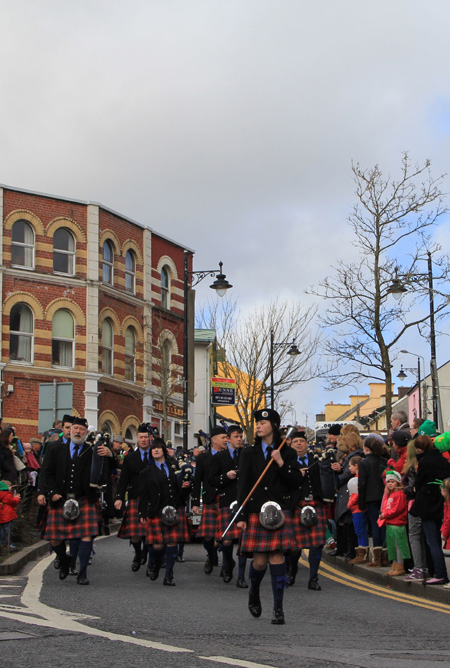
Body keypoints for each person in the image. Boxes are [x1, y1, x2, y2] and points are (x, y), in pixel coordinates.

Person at [236, 409, 302, 625]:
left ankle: (278, 609)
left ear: (273, 425)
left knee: (277, 558)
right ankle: (254, 590)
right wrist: (242, 515)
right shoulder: (248, 453)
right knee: (260, 561)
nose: (258, 426)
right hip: (256, 510)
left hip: (279, 510)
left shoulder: (288, 452)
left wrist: (281, 462)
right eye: (257, 423)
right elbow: (243, 485)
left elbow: (295, 482)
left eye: (263, 422)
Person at [39, 417, 113, 585]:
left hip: (84, 499)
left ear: (86, 433)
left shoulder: (92, 450)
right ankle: (64, 559)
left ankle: (83, 573)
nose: (78, 432)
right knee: (54, 539)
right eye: (75, 428)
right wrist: (51, 493)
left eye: (81, 429)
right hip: (60, 499)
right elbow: (47, 473)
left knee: (86, 536)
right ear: (70, 430)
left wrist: (110, 455)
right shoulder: (55, 449)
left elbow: (108, 469)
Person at [138, 438, 191, 586]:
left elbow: (179, 487)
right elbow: (143, 495)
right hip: (156, 510)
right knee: (157, 545)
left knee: (172, 544)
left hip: (173, 509)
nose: (155, 450)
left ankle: (169, 575)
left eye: (158, 448)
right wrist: (141, 513)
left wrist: (185, 486)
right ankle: (154, 563)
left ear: (164, 451)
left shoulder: (174, 467)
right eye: (153, 448)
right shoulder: (146, 472)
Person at [289, 430, 328, 591]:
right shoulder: (287, 463)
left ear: (307, 444)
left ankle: (313, 577)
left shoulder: (317, 460)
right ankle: (291, 570)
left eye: (302, 441)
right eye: (296, 441)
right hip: (297, 505)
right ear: (291, 445)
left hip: (316, 504)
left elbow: (328, 479)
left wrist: (336, 469)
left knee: (317, 544)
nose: (299, 443)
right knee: (294, 546)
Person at [410, 434, 450, 585]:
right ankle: (438, 572)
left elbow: (417, 484)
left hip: (427, 504)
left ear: (420, 449)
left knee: (431, 540)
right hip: (442, 503)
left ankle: (439, 573)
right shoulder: (443, 461)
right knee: (438, 539)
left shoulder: (424, 462)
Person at [209, 425, 246, 586]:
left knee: (244, 540)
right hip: (227, 500)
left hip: (245, 501)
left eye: (240, 436)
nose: (239, 439)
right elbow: (212, 479)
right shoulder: (219, 457)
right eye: (236, 436)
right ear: (229, 439)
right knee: (226, 540)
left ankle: (242, 577)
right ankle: (227, 565)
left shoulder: (247, 454)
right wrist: (225, 476)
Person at [115, 424, 152, 572]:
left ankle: (148, 557)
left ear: (150, 439)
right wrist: (118, 497)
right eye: (141, 437)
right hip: (135, 497)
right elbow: (123, 479)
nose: (143, 440)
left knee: (151, 533)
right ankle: (138, 553)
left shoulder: (156, 455)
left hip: (152, 498)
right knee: (135, 535)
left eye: (146, 437)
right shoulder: (130, 458)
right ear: (137, 439)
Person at [191, 426, 228, 575]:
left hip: (225, 498)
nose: (226, 440)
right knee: (207, 536)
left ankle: (226, 564)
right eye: (223, 437)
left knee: (226, 536)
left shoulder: (229, 456)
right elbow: (197, 480)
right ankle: (211, 555)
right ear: (214, 440)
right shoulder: (202, 458)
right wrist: (194, 502)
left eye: (227, 437)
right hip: (210, 498)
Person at [358, 435, 388, 568]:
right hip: (384, 496)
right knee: (384, 525)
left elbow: (362, 483)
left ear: (366, 448)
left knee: (375, 525)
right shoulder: (384, 461)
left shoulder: (363, 463)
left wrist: (361, 502)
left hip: (370, 497)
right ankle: (386, 556)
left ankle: (377, 557)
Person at [402, 438, 429, 581]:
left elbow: (412, 488)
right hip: (424, 503)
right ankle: (423, 567)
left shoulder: (413, 467)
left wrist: (403, 488)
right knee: (420, 536)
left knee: (414, 535)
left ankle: (418, 568)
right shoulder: (423, 464)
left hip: (414, 504)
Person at [378, 469, 410, 576]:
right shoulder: (391, 494)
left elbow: (398, 509)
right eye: (388, 482)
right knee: (392, 546)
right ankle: (394, 566)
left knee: (398, 546)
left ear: (398, 482)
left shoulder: (400, 494)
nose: (390, 484)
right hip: (391, 523)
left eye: (392, 481)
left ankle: (400, 567)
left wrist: (385, 515)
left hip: (398, 523)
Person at [347, 455, 369, 564]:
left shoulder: (358, 479)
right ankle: (361, 552)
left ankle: (363, 553)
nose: (349, 468)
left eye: (350, 466)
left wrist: (349, 504)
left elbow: (356, 495)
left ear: (356, 466)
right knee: (359, 531)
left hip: (358, 510)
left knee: (360, 531)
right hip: (356, 510)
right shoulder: (356, 478)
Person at [0, 480, 21, 549]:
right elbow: (13, 502)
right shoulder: (7, 495)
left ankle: (2, 543)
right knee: (8, 530)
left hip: (2, 515)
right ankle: (9, 543)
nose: (10, 487)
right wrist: (17, 498)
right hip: (8, 515)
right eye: (9, 486)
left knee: (2, 530)